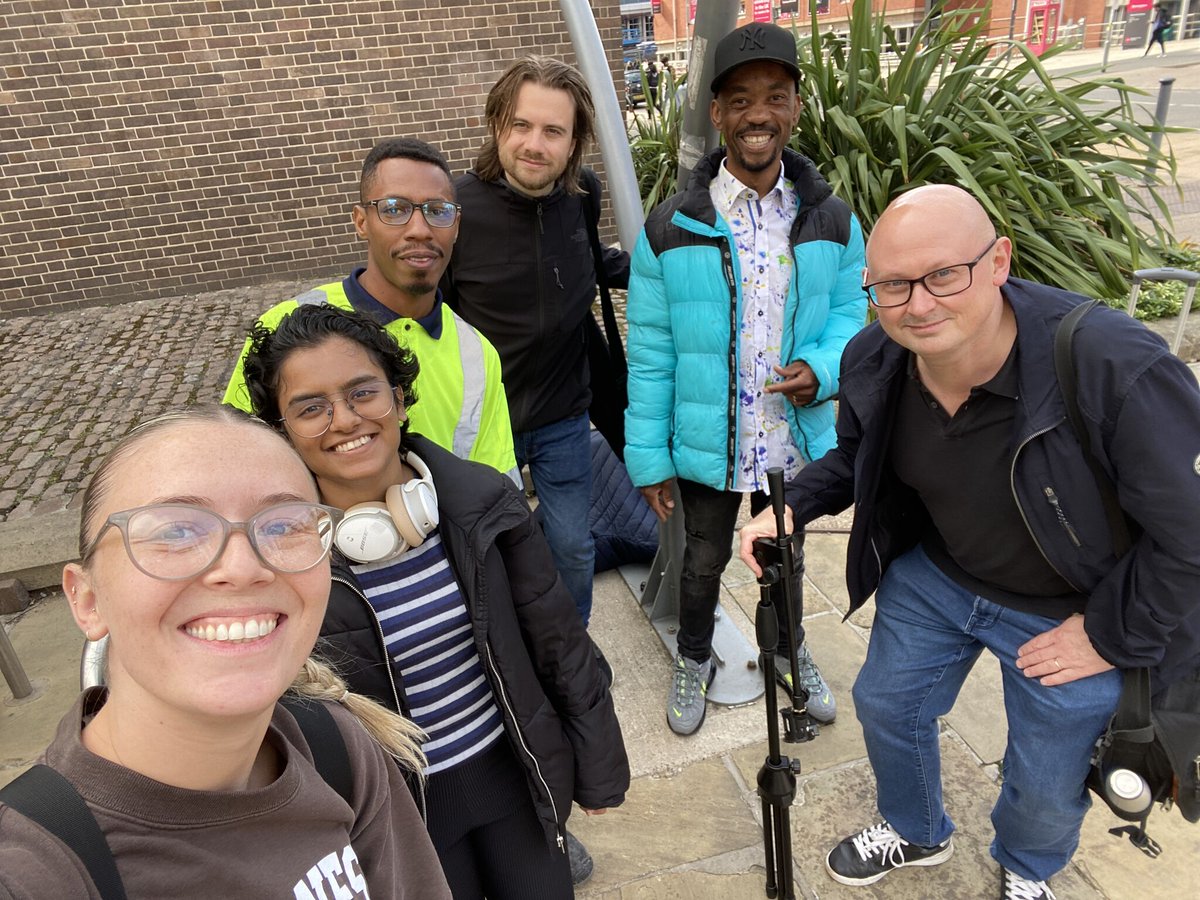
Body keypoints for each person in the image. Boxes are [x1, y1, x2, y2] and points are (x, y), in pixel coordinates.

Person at [739, 184, 1200, 898]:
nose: (919, 304)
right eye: (893, 285)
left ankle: (1026, 868)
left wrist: (1109, 633)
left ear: (998, 263)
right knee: (889, 705)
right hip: (942, 575)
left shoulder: (1111, 364)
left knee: (1044, 779)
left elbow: (1190, 533)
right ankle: (914, 828)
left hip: (1070, 606)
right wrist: (791, 507)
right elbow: (858, 457)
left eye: (943, 275)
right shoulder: (879, 358)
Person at [240, 303, 630, 898]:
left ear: (399, 398)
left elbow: (559, 641)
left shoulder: (482, 502)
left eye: (362, 393)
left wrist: (598, 766)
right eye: (310, 408)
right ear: (282, 430)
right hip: (399, 816)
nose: (343, 420)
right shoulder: (279, 561)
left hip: (513, 784)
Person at [0, 406, 450, 899]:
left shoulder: (335, 746)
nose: (243, 567)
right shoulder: (32, 874)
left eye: (283, 525)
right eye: (175, 531)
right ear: (86, 600)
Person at [624, 21, 867, 736]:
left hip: (786, 438)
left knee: (781, 556)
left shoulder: (832, 219)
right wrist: (648, 456)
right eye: (740, 99)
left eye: (775, 96)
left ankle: (792, 652)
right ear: (718, 114)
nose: (758, 114)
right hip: (707, 439)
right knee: (700, 564)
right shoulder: (671, 227)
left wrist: (823, 369)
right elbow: (653, 350)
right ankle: (694, 659)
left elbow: (856, 310)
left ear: (795, 107)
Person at [443, 57, 630, 629]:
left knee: (572, 547)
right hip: (482, 422)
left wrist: (649, 266)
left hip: (562, 416)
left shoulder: (582, 194)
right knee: (490, 551)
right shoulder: (454, 208)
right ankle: (505, 649)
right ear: (497, 122)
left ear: (574, 144)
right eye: (521, 125)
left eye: (553, 131)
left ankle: (570, 643)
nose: (534, 144)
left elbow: (581, 259)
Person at [224, 137, 517, 482]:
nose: (420, 230)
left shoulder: (477, 353)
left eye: (438, 211)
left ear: (456, 227)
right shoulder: (283, 327)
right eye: (395, 208)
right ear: (361, 221)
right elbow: (232, 464)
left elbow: (498, 483)